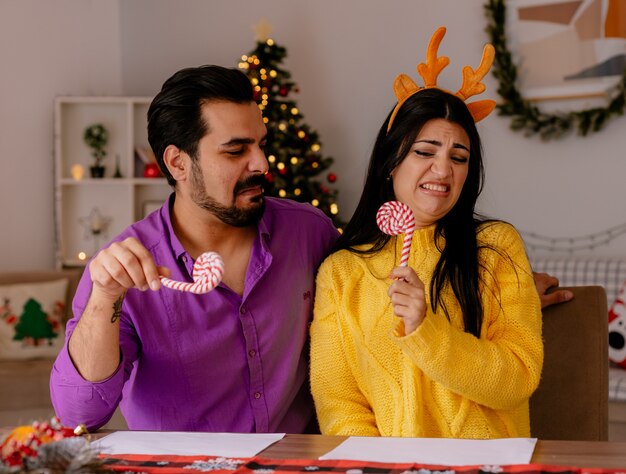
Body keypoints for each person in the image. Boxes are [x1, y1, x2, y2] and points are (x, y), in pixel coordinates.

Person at [50, 65, 339, 433]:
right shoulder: (123, 268)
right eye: (235, 151)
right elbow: (79, 416)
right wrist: (105, 297)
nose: (262, 164)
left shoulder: (309, 233)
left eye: (261, 145)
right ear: (177, 162)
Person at [310, 27, 544, 439]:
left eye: (459, 157)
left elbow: (518, 379)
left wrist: (425, 329)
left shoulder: (496, 247)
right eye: (424, 152)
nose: (443, 170)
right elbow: (340, 406)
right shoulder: (341, 272)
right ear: (391, 162)